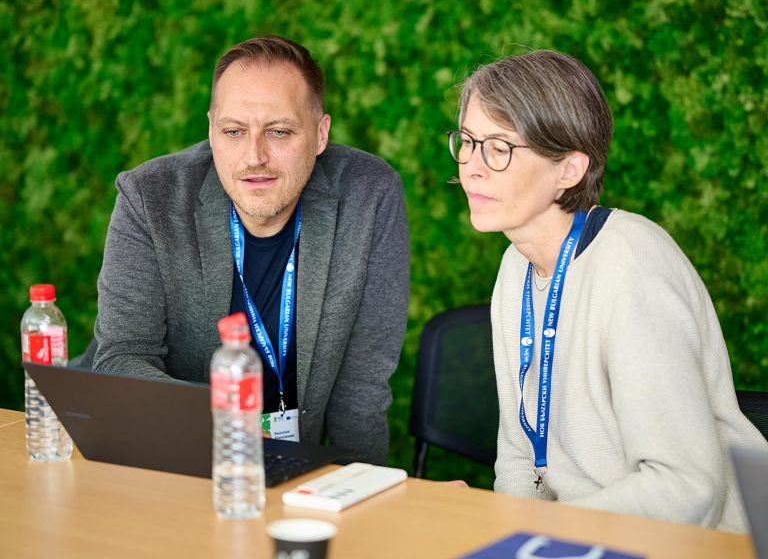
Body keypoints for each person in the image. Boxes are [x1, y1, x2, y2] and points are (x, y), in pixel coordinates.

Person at [448, 49, 768, 531]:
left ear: (569, 170)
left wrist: (548, 532)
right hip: (588, 538)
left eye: (500, 147)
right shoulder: (516, 266)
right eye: (468, 141)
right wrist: (510, 535)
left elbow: (687, 489)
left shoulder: (633, 267)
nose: (472, 166)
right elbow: (520, 454)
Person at [90, 35, 409, 465]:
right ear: (211, 130)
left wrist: (365, 494)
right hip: (175, 462)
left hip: (297, 475)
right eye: (234, 131)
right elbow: (122, 358)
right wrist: (230, 431)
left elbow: (362, 392)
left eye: (279, 132)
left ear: (320, 134)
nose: (254, 156)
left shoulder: (370, 195)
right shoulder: (149, 197)